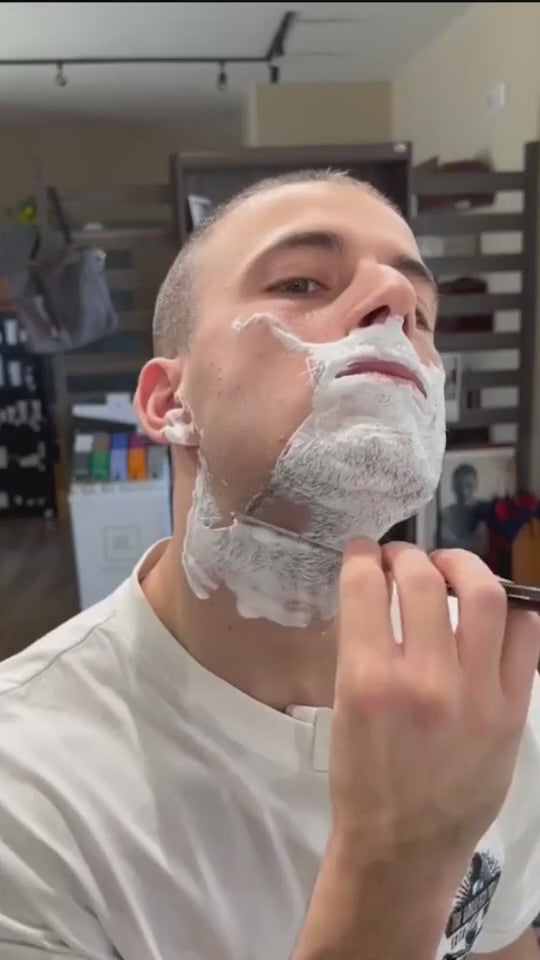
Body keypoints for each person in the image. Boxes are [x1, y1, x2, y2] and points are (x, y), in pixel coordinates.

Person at [1, 171, 540, 960]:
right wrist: (399, 864)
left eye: (422, 315)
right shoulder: (24, 791)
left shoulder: (494, 682)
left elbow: (505, 942)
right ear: (168, 402)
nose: (395, 303)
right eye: (301, 283)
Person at [440, 463, 489, 556]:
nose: (464, 491)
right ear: (453, 487)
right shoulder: (446, 514)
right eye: (459, 486)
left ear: (476, 485)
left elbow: (482, 547)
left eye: (469, 485)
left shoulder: (484, 511)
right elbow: (443, 545)